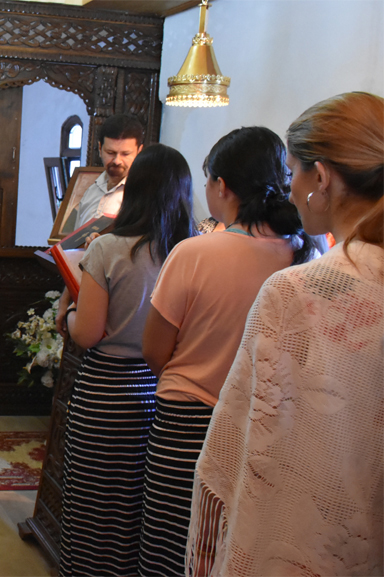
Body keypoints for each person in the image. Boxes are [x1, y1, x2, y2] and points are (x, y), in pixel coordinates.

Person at [187, 92, 383, 577]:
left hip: (310, 538)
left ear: (322, 178)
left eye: (293, 171)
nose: (288, 189)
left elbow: (249, 445)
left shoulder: (300, 289)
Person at [138, 126, 316, 576]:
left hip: (186, 421)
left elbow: (155, 351)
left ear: (221, 186)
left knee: (171, 544)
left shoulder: (195, 253)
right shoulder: (305, 255)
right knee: (229, 548)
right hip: (263, 425)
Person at [52, 144, 196, 575]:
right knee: (138, 505)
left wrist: (67, 313)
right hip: (158, 391)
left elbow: (88, 333)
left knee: (93, 503)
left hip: (106, 392)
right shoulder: (190, 251)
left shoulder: (109, 248)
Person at [72, 114, 144, 226]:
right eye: (110, 153)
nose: (117, 161)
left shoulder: (144, 195)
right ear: (100, 148)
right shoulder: (91, 190)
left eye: (125, 154)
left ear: (139, 152)